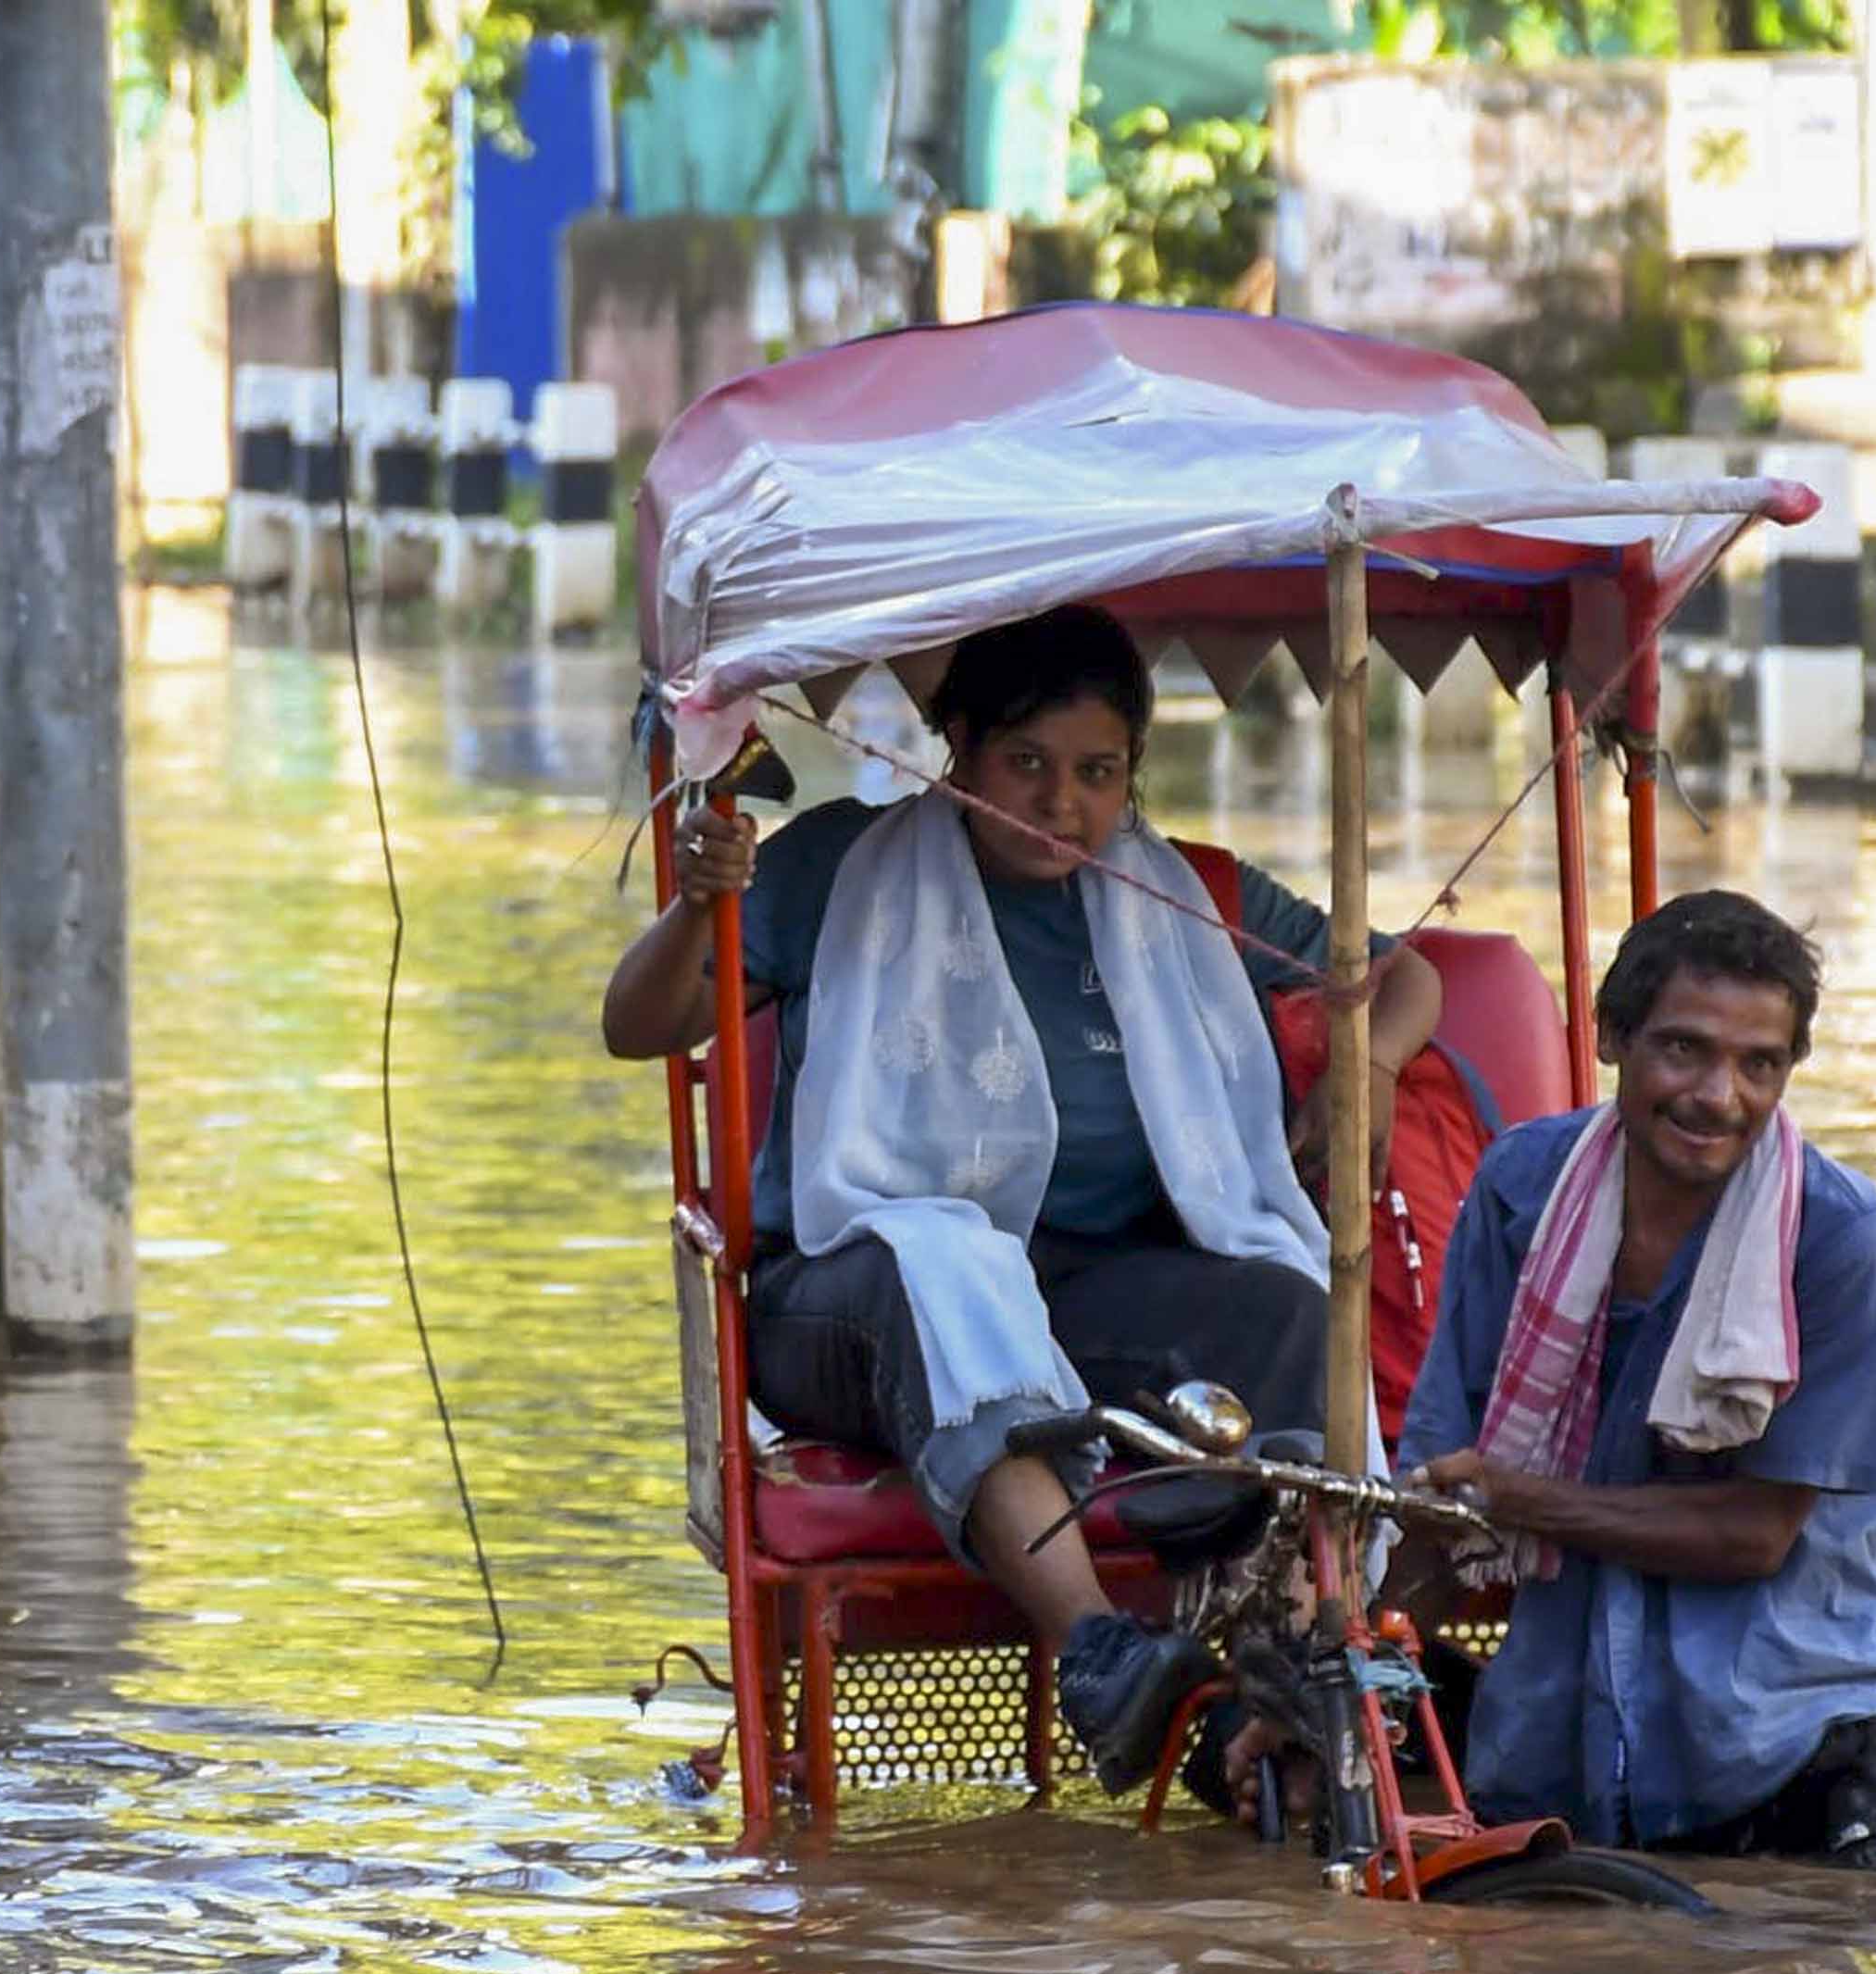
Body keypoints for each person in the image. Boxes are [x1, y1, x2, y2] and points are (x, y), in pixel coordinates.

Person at [601, 604, 1443, 1793]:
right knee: (949, 1261)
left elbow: (1403, 974)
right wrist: (699, 901)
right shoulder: (838, 864)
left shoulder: (1189, 893)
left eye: (1098, 774)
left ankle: (1301, 1677)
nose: (1063, 806)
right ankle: (1101, 1649)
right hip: (843, 1298)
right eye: (1028, 767)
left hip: (1091, 1298)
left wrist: (1369, 1069)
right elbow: (635, 1026)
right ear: (956, 745)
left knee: (1288, 1300)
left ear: (1134, 774)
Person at [1355, 889, 1876, 1868]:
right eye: (1684, 1050)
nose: (1720, 1096)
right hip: (1563, 1736)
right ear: (1613, 1037)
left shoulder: (1847, 1244)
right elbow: (1436, 1496)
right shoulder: (1521, 1189)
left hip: (1797, 1737)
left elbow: (1753, 1535)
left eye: (1759, 1065)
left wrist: (1522, 1500)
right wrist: (1358, 1683)